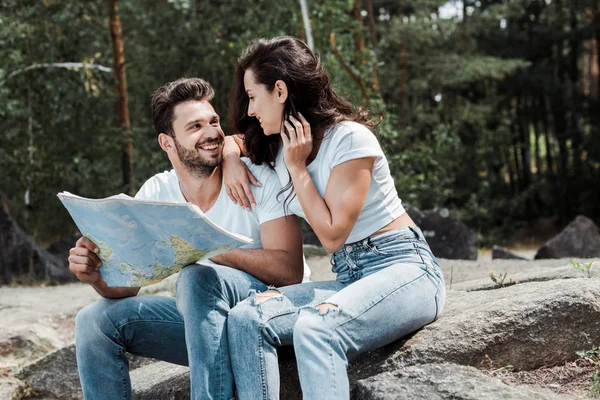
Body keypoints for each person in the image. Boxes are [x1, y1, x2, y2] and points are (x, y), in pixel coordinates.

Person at [222, 36, 446, 400]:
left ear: (279, 90)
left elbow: (331, 235)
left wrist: (297, 169)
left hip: (405, 269)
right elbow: (234, 140)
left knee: (316, 327)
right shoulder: (277, 142)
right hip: (348, 279)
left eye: (252, 96)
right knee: (246, 318)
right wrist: (232, 159)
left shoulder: (350, 140)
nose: (249, 110)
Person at [68, 77, 307, 400]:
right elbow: (129, 284)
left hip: (269, 315)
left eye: (214, 122)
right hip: (204, 326)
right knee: (93, 321)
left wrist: (208, 248)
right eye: (195, 127)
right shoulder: (157, 192)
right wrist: (96, 275)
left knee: (197, 276)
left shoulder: (258, 177)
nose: (211, 133)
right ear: (167, 143)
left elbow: (290, 270)